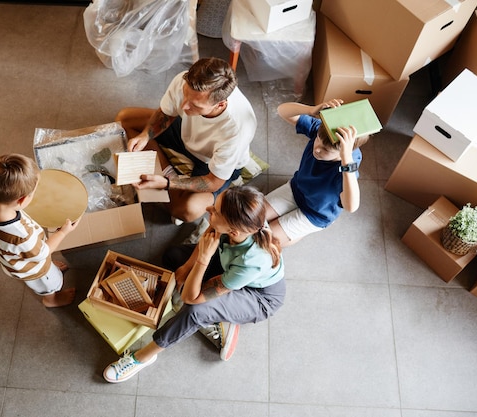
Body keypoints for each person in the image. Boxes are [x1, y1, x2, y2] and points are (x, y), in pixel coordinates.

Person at [103, 185, 285, 383]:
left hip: (258, 297)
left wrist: (202, 261)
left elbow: (190, 298)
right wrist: (186, 267)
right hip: (230, 267)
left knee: (194, 310)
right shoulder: (238, 221)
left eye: (214, 211)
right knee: (173, 256)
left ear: (232, 231)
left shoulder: (252, 262)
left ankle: (143, 357)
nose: (208, 210)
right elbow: (210, 233)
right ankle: (219, 313)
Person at [115, 57, 257, 224]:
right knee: (124, 119)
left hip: (210, 163)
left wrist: (168, 183)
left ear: (219, 105)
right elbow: (166, 114)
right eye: (184, 95)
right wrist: (145, 135)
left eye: (195, 105)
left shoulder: (236, 130)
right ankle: (167, 170)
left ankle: (166, 175)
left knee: (185, 210)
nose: (183, 107)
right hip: (185, 133)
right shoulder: (185, 79)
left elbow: (213, 181)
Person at [0, 153, 81, 308]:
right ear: (22, 200)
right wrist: (62, 232)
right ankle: (51, 300)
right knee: (49, 284)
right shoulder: (22, 236)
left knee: (44, 262)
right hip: (33, 269)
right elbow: (43, 252)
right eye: (33, 194)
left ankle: (49, 267)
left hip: (11, 256)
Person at [265, 99, 369, 247]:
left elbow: (351, 206)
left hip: (315, 214)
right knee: (251, 217)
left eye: (326, 150)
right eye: (318, 140)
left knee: (265, 240)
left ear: (343, 153)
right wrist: (311, 109)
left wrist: (346, 159)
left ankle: (297, 233)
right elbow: (282, 110)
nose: (317, 149)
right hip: (296, 189)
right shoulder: (323, 132)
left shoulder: (347, 167)